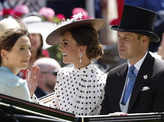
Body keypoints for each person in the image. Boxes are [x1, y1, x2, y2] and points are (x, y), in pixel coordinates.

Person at [100, 5, 164, 115]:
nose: (120, 43)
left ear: (144, 41)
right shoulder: (113, 76)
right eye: (119, 37)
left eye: (127, 38)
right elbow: (103, 115)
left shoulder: (160, 73)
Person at [46, 17, 107, 116]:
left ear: (82, 49)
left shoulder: (99, 81)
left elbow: (76, 115)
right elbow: (54, 109)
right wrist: (31, 96)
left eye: (65, 43)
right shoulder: (63, 74)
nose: (60, 48)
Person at [0, 17, 38, 101]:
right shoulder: (17, 84)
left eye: (29, 48)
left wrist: (29, 93)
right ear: (4, 53)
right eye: (21, 48)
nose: (28, 54)